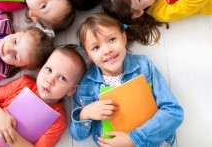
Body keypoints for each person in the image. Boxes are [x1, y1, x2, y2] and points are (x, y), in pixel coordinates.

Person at [69, 13, 184, 147]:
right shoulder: (86, 87)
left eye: (112, 39)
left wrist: (134, 139)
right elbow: (78, 136)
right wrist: (84, 114)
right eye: (96, 47)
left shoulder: (143, 66)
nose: (107, 50)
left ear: (123, 37)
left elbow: (174, 112)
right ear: (88, 54)